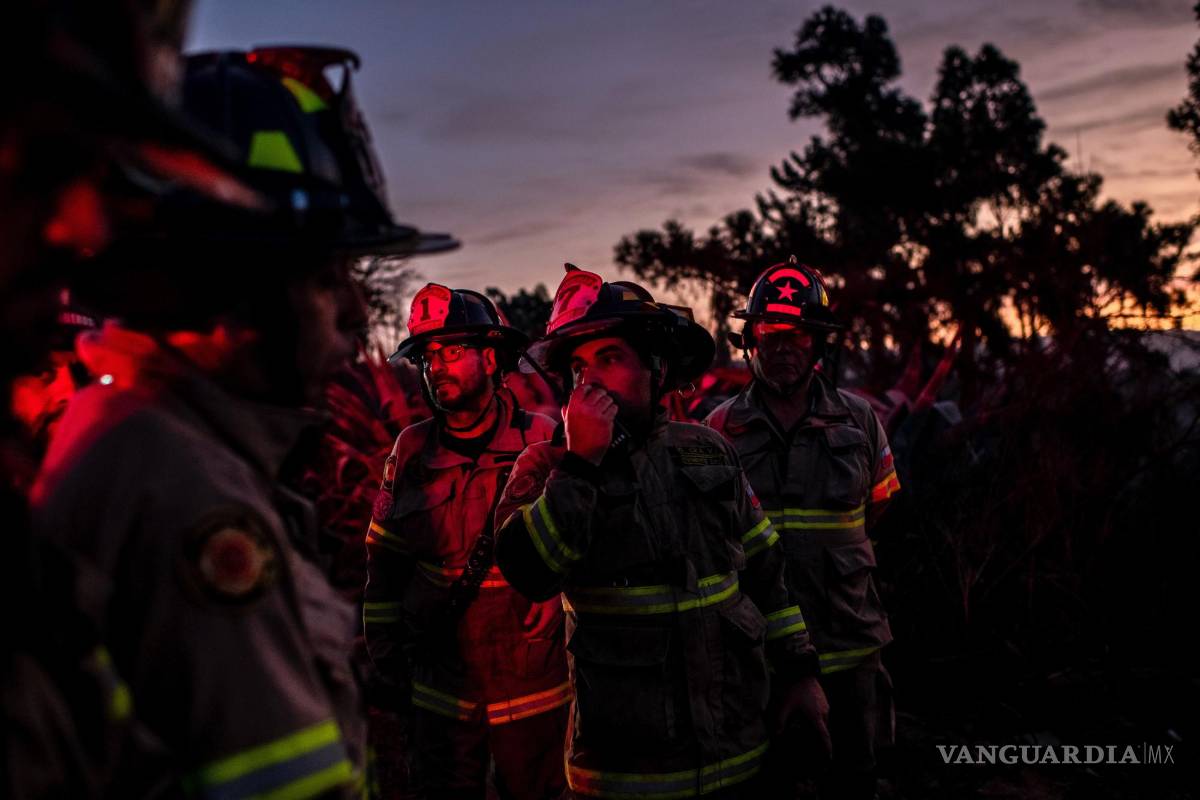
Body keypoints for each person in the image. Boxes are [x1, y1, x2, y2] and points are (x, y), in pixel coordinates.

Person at [31, 46, 456, 798]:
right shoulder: (181, 491)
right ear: (231, 292)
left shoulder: (153, 443)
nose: (357, 315)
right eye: (325, 280)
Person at [493, 265, 830, 799]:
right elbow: (529, 571)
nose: (590, 381)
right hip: (624, 777)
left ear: (657, 367)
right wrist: (580, 466)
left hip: (740, 756)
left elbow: (767, 573)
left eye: (610, 358)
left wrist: (800, 673)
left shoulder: (708, 450)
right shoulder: (546, 466)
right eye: (579, 367)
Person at [705, 257, 900, 800]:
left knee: (854, 780)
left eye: (799, 333)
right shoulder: (718, 430)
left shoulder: (860, 421)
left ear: (818, 343)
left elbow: (881, 506)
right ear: (750, 340)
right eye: (771, 332)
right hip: (757, 656)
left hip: (848, 648)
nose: (784, 347)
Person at [364, 284, 568, 799]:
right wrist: (387, 662)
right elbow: (384, 568)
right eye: (428, 357)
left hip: (532, 686)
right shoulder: (410, 451)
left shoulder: (543, 439)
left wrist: (559, 595)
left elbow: (585, 543)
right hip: (442, 691)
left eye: (452, 352)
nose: (436, 367)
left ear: (492, 357)